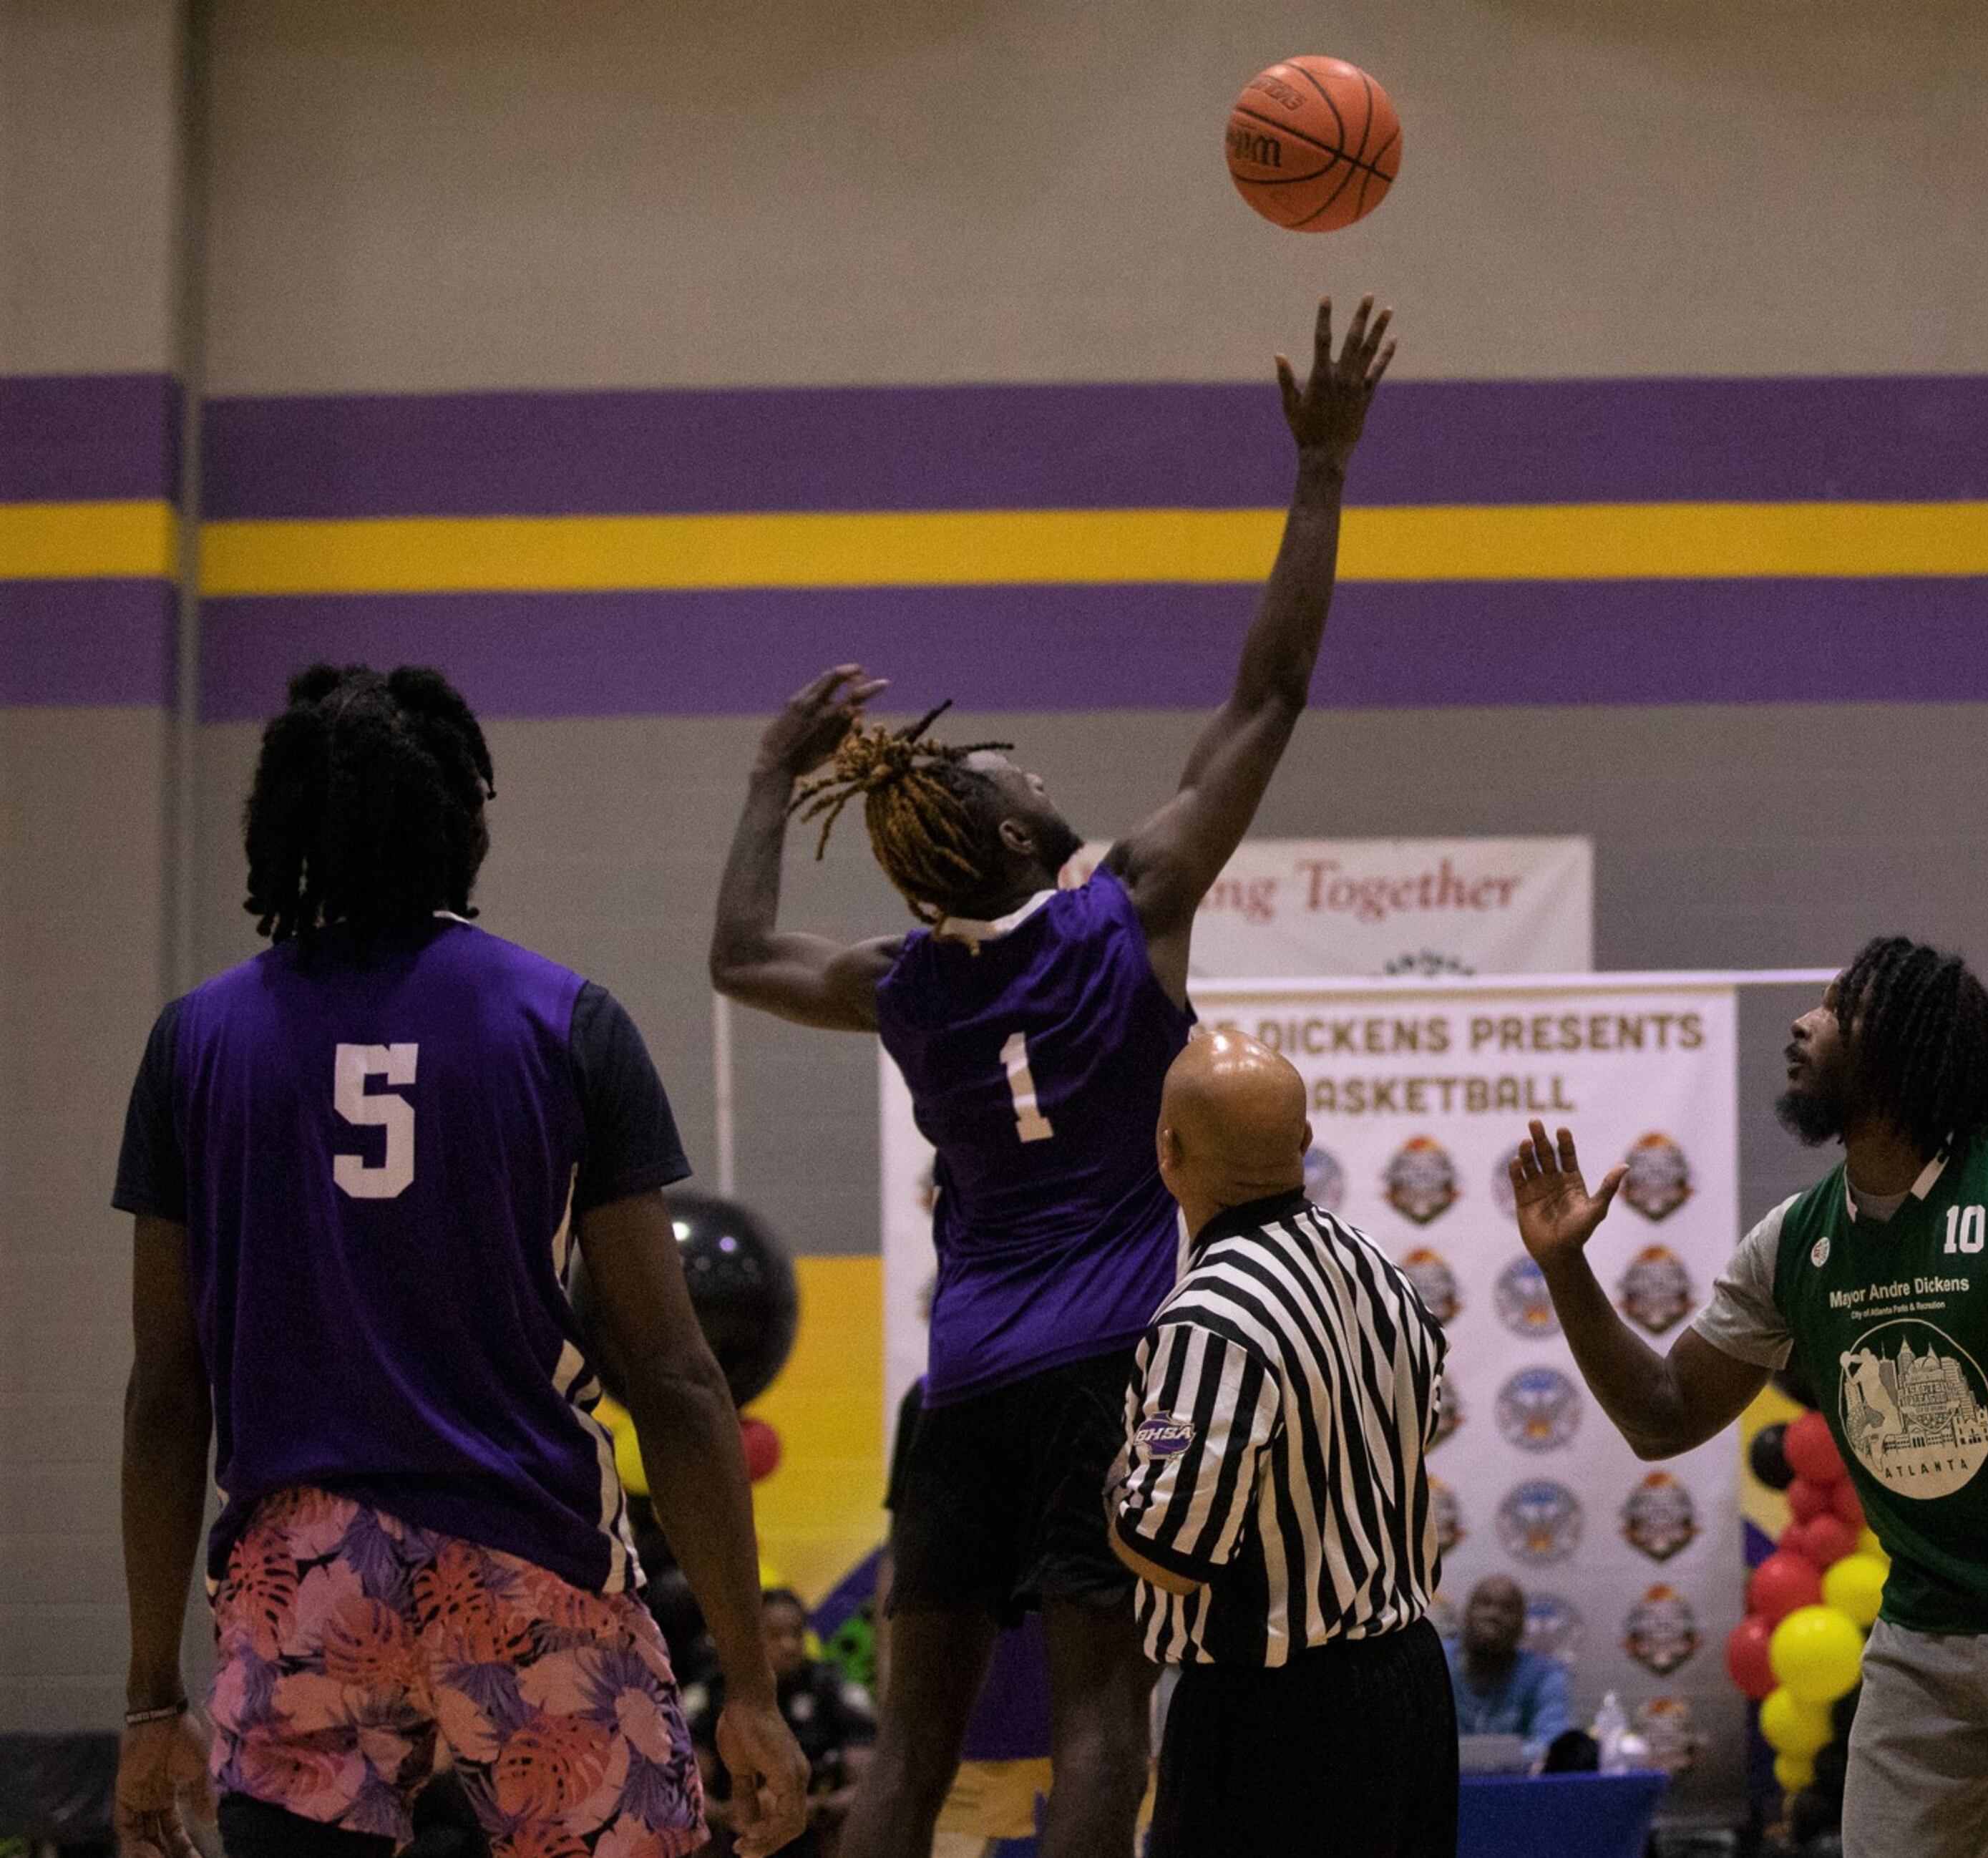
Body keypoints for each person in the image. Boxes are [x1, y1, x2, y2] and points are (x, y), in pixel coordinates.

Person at [707, 297, 1394, 1858]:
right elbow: (1270, 695)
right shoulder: (1127, 909)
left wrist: (768, 778)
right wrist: (1321, 474)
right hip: (1106, 1372)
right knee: (1102, 1725)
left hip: (963, 1381)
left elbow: (740, 953)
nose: (1029, 762)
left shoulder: (902, 988)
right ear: (1018, 834)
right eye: (1013, 768)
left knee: (906, 1754)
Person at [112, 665, 809, 1858]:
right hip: (521, 1546)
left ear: (283, 829)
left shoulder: (196, 1044)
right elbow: (678, 1378)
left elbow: (168, 1391)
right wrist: (749, 1681)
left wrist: (149, 1695)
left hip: (306, 1567)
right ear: (463, 824)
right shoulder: (566, 1021)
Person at [1506, 935, 1988, 1858]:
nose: (1802, 1023)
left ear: (1907, 1044)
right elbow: (1663, 1413)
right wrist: (1567, 1272)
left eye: (1837, 1008)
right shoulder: (1795, 1240)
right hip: (1926, 1631)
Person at [1106, 1030, 1455, 1857]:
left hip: (1274, 1717)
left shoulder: (1209, 1317)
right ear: (1303, 1141)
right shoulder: (1378, 1267)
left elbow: (1169, 1549)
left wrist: (1119, 1477)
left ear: (1167, 1149)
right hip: (1409, 1689)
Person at [692, 1592, 877, 1858]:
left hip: (814, 1824)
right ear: (750, 1640)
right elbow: (688, 1779)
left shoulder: (831, 1689)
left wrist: (815, 1808)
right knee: (690, 1820)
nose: (790, 1646)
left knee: (855, 1817)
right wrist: (725, 1812)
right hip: (734, 1826)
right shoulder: (714, 1691)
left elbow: (867, 1779)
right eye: (776, 1636)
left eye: (797, 1634)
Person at [1442, 1577, 1575, 1765]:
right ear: (1466, 1614)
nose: (1493, 1614)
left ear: (1522, 1624)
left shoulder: (1544, 1675)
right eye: (1484, 1603)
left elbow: (1552, 1744)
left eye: (1507, 1608)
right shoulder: (1435, 1662)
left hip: (1518, 1791)